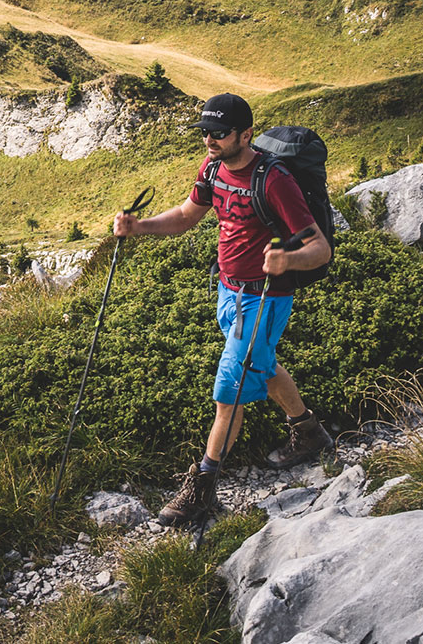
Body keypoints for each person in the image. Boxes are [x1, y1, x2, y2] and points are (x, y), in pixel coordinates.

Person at [113, 91, 332, 526]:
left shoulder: (274, 181)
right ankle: (309, 432)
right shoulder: (213, 168)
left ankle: (201, 488)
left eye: (218, 133)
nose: (209, 140)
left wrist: (288, 260)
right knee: (261, 365)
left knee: (228, 392)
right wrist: (140, 227)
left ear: (245, 134)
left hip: (264, 298)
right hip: (228, 292)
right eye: (205, 132)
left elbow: (320, 249)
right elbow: (185, 216)